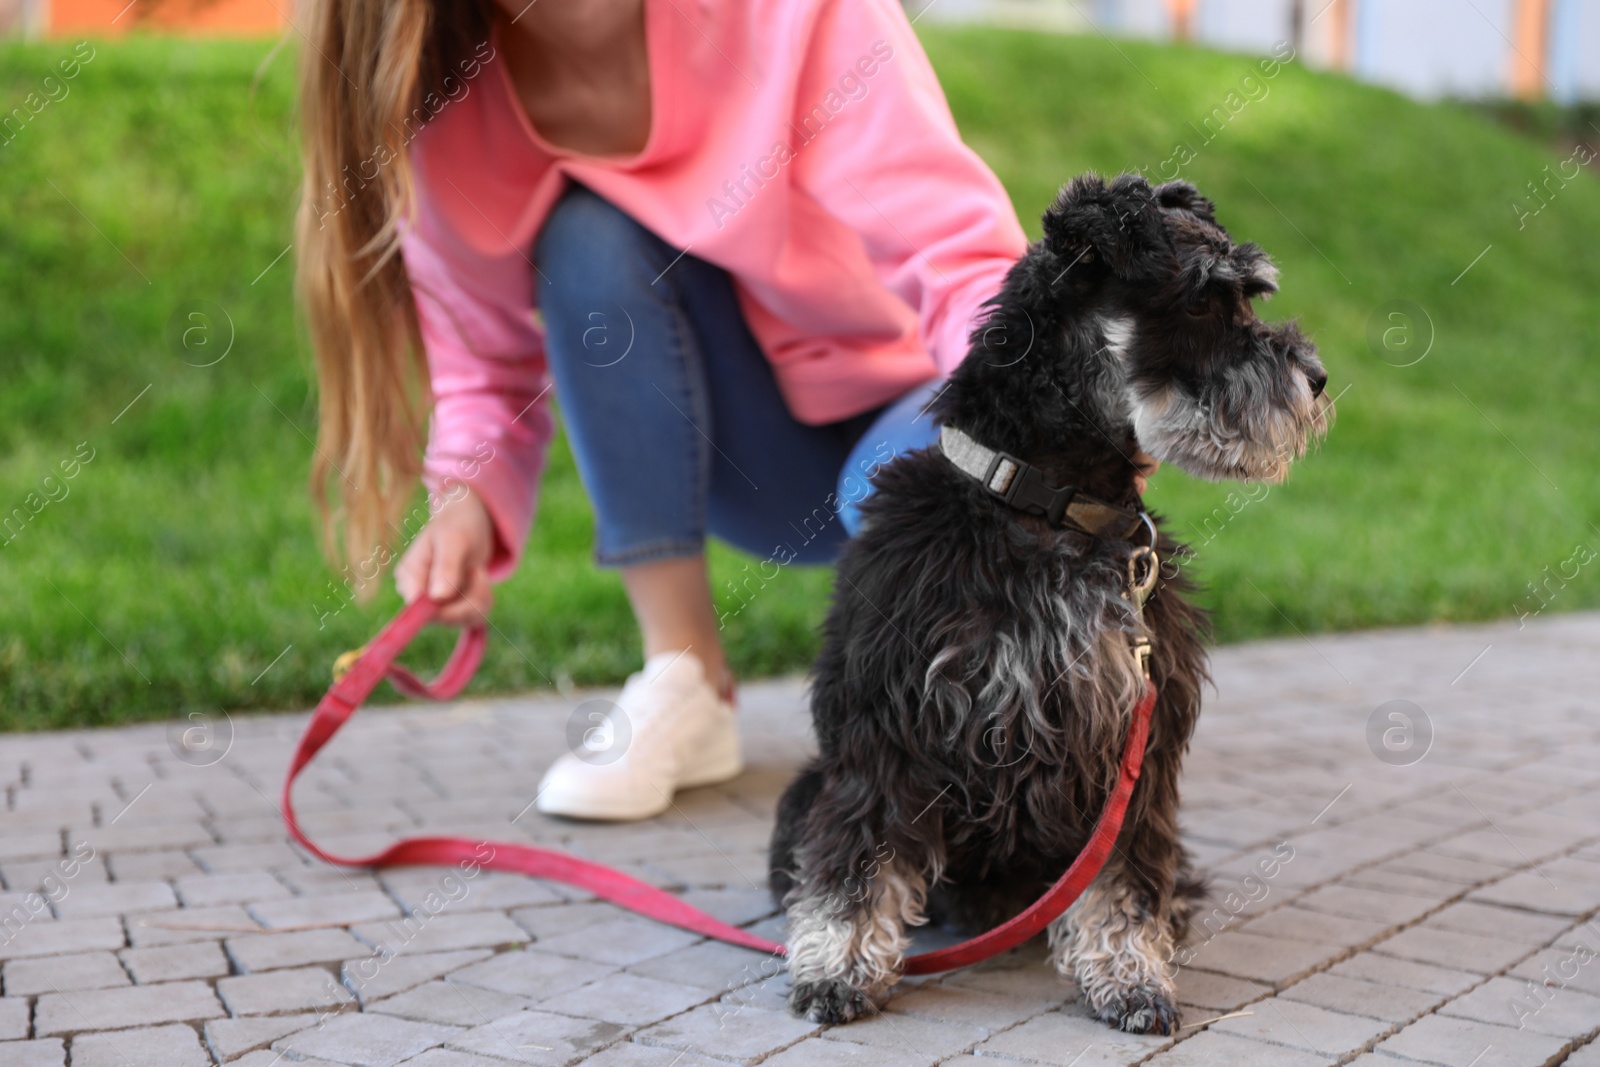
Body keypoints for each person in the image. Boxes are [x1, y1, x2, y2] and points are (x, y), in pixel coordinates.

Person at [296, 0, 1153, 821]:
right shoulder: (444, 101)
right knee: (587, 238)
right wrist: (464, 504)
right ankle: (684, 677)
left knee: (889, 500)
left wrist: (1054, 403)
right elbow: (484, 367)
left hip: (917, 406)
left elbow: (954, 250)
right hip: (745, 453)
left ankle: (999, 701)